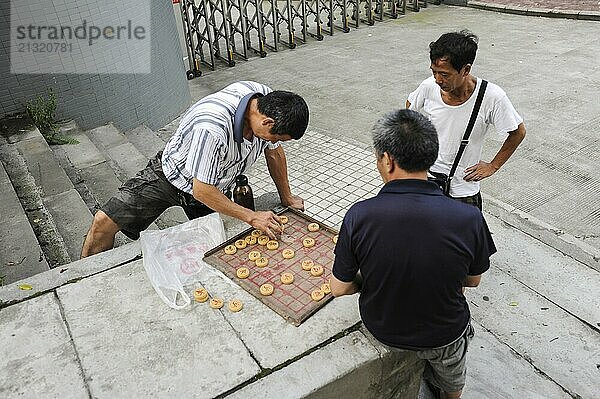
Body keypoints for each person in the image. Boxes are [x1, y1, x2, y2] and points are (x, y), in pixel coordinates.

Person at [330, 109, 496, 399]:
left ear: (387, 160)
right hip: (446, 333)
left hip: (384, 330)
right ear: (430, 157)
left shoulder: (359, 215)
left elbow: (339, 287)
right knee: (452, 384)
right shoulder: (469, 217)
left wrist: (367, 281)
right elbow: (473, 282)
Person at [81, 81, 309, 257]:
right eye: (276, 136)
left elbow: (274, 151)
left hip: (216, 183)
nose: (274, 141)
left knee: (219, 248)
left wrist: (286, 197)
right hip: (172, 175)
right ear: (267, 122)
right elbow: (201, 189)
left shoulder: (265, 99)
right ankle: (85, 282)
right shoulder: (213, 127)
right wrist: (252, 216)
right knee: (103, 223)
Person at [407, 30, 526, 209]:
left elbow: (518, 132)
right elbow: (409, 106)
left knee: (465, 237)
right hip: (427, 181)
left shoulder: (492, 97)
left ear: (466, 70)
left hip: (463, 190)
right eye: (434, 72)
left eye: (445, 74)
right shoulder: (428, 86)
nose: (438, 79)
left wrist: (493, 166)